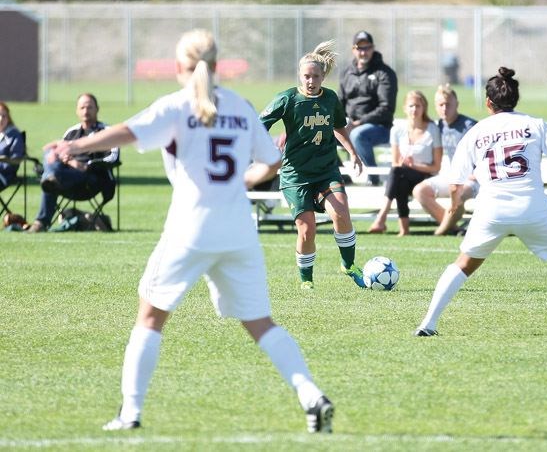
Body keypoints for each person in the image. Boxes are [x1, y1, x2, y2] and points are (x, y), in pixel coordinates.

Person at [46, 29, 335, 433]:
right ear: (217, 65)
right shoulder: (239, 104)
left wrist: (75, 147)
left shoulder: (178, 105)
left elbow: (127, 133)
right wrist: (244, 181)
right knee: (261, 324)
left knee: (149, 317)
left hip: (191, 227)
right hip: (237, 229)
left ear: (179, 66)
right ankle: (311, 396)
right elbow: (272, 160)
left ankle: (130, 414)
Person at [414, 67, 547, 338]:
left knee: (462, 265)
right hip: (532, 208)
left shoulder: (476, 132)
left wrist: (455, 208)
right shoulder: (534, 123)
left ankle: (428, 325)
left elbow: (455, 184)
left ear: (488, 103)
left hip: (491, 210)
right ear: (516, 99)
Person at [260, 40, 366, 291]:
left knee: (341, 212)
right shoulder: (286, 99)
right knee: (307, 230)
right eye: (306, 76)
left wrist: (352, 152)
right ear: (300, 76)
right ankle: (306, 280)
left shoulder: (330, 98)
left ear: (323, 76)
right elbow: (259, 124)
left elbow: (338, 126)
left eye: (315, 76)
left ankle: (348, 265)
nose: (310, 81)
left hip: (326, 170)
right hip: (296, 175)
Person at [27, 93, 120, 232]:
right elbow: (54, 152)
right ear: (77, 111)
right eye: (82, 107)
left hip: (91, 181)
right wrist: (70, 162)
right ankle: (41, 222)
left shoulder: (107, 132)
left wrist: (88, 165)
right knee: (50, 157)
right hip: (66, 178)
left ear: (97, 109)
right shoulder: (72, 132)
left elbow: (114, 157)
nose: (85, 111)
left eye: (89, 107)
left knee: (51, 177)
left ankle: (41, 222)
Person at [368, 90, 442, 236]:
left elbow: (436, 166)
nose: (414, 109)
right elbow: (396, 162)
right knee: (399, 178)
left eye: (418, 106)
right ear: (405, 108)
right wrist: (405, 164)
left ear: (424, 108)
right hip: (404, 175)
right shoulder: (397, 130)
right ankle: (404, 230)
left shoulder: (432, 129)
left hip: (425, 176)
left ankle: (382, 217)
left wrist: (413, 165)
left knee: (397, 173)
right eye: (411, 106)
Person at [412, 84, 478, 235]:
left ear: (457, 105)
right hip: (454, 175)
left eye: (448, 104)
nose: (444, 108)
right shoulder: (440, 125)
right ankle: (454, 228)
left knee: (457, 194)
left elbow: (489, 152)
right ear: (435, 106)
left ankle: (440, 232)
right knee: (419, 190)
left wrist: (478, 172)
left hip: (473, 178)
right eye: (441, 105)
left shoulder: (470, 126)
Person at [339, 31, 398, 186]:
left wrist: (359, 123)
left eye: (367, 48)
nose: (363, 52)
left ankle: (374, 178)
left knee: (358, 135)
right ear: (353, 49)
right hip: (350, 124)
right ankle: (342, 178)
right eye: (359, 48)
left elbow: (386, 108)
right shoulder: (347, 73)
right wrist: (336, 122)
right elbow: (339, 103)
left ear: (373, 48)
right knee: (323, 135)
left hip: (379, 127)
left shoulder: (384, 73)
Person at [0, 102, 26, 192]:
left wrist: (3, 159)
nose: (1, 119)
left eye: (4, 116)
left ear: (8, 118)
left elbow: (17, 160)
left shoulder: (14, 135)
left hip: (4, 175)